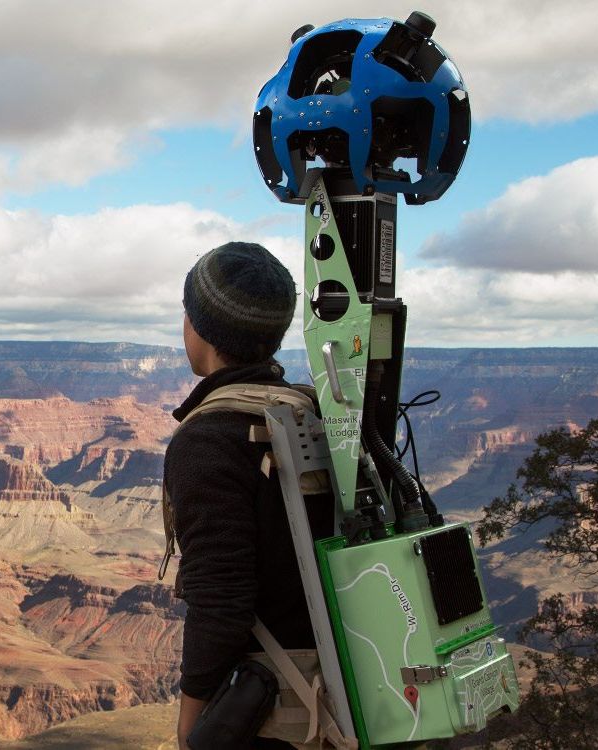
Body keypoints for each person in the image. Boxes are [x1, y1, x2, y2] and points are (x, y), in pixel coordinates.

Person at [167, 242, 331, 749]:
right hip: (347, 694)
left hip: (275, 718)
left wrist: (191, 728)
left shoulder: (209, 439)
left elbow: (220, 601)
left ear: (199, 324)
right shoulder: (314, 412)